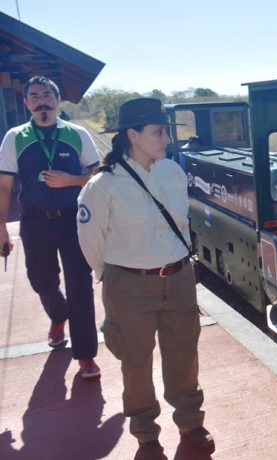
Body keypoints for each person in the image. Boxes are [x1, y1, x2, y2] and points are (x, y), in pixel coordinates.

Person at [77, 98, 213, 459]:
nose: (166, 139)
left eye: (166, 131)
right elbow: (91, 241)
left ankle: (190, 423)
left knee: (185, 355)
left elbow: (181, 225)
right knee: (136, 362)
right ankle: (145, 434)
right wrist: (113, 277)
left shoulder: (171, 171)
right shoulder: (102, 185)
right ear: (132, 135)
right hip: (129, 284)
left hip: (179, 277)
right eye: (158, 132)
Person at [0, 76, 100, 378]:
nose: (41, 100)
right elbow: (4, 186)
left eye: (47, 94)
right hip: (34, 222)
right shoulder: (14, 137)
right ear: (26, 102)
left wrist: (71, 180)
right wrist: (1, 228)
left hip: (72, 219)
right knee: (42, 282)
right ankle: (59, 318)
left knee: (80, 286)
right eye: (34, 96)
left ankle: (86, 356)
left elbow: (99, 174)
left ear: (58, 100)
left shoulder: (77, 134)